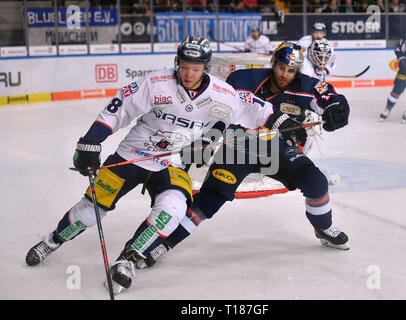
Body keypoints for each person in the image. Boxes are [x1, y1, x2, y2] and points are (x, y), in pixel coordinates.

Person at [25, 35, 284, 295]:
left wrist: (281, 121)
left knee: (172, 210)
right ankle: (53, 240)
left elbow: (258, 109)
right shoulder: (156, 83)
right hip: (133, 154)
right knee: (90, 211)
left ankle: (126, 260)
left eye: (195, 68)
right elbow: (119, 108)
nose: (188, 73)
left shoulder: (222, 94)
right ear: (177, 62)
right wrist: (90, 142)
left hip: (173, 161)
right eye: (184, 66)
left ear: (205, 68)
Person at [137, 41, 351, 271]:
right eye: (281, 68)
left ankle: (323, 227)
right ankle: (164, 244)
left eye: (290, 71)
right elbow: (220, 113)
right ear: (273, 64)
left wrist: (337, 110)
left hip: (273, 148)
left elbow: (331, 98)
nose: (284, 75)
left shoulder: (305, 84)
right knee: (209, 200)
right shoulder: (243, 79)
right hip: (237, 148)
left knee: (316, 181)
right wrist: (207, 140)